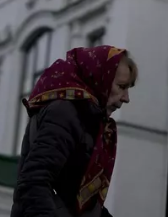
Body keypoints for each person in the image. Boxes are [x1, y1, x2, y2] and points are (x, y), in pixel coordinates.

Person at [10, 45, 138, 217]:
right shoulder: (65, 112)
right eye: (121, 87)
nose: (126, 98)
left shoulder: (87, 118)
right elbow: (34, 182)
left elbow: (78, 200)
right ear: (100, 78)